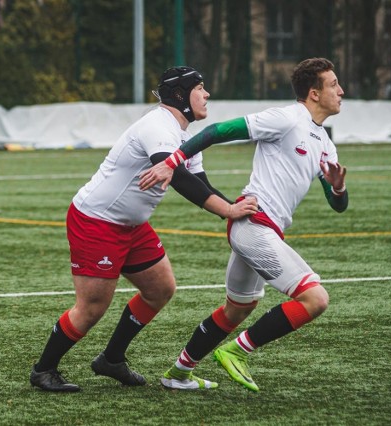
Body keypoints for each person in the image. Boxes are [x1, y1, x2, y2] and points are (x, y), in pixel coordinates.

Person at [30, 66, 258, 392]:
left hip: (131, 226)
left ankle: (111, 359)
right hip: (97, 222)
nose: (207, 95)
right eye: (200, 88)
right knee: (92, 307)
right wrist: (229, 210)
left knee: (160, 289)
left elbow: (198, 181)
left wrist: (233, 213)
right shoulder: (158, 125)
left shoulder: (185, 134)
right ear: (180, 95)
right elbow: (176, 177)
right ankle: (44, 369)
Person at [138, 57, 348, 392]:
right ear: (313, 93)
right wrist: (174, 161)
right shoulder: (286, 118)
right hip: (253, 226)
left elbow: (339, 206)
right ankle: (237, 351)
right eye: (334, 84)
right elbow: (216, 132)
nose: (341, 90)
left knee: (238, 308)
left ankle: (177, 373)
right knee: (316, 300)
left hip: (262, 231)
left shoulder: (325, 142)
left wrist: (337, 188)